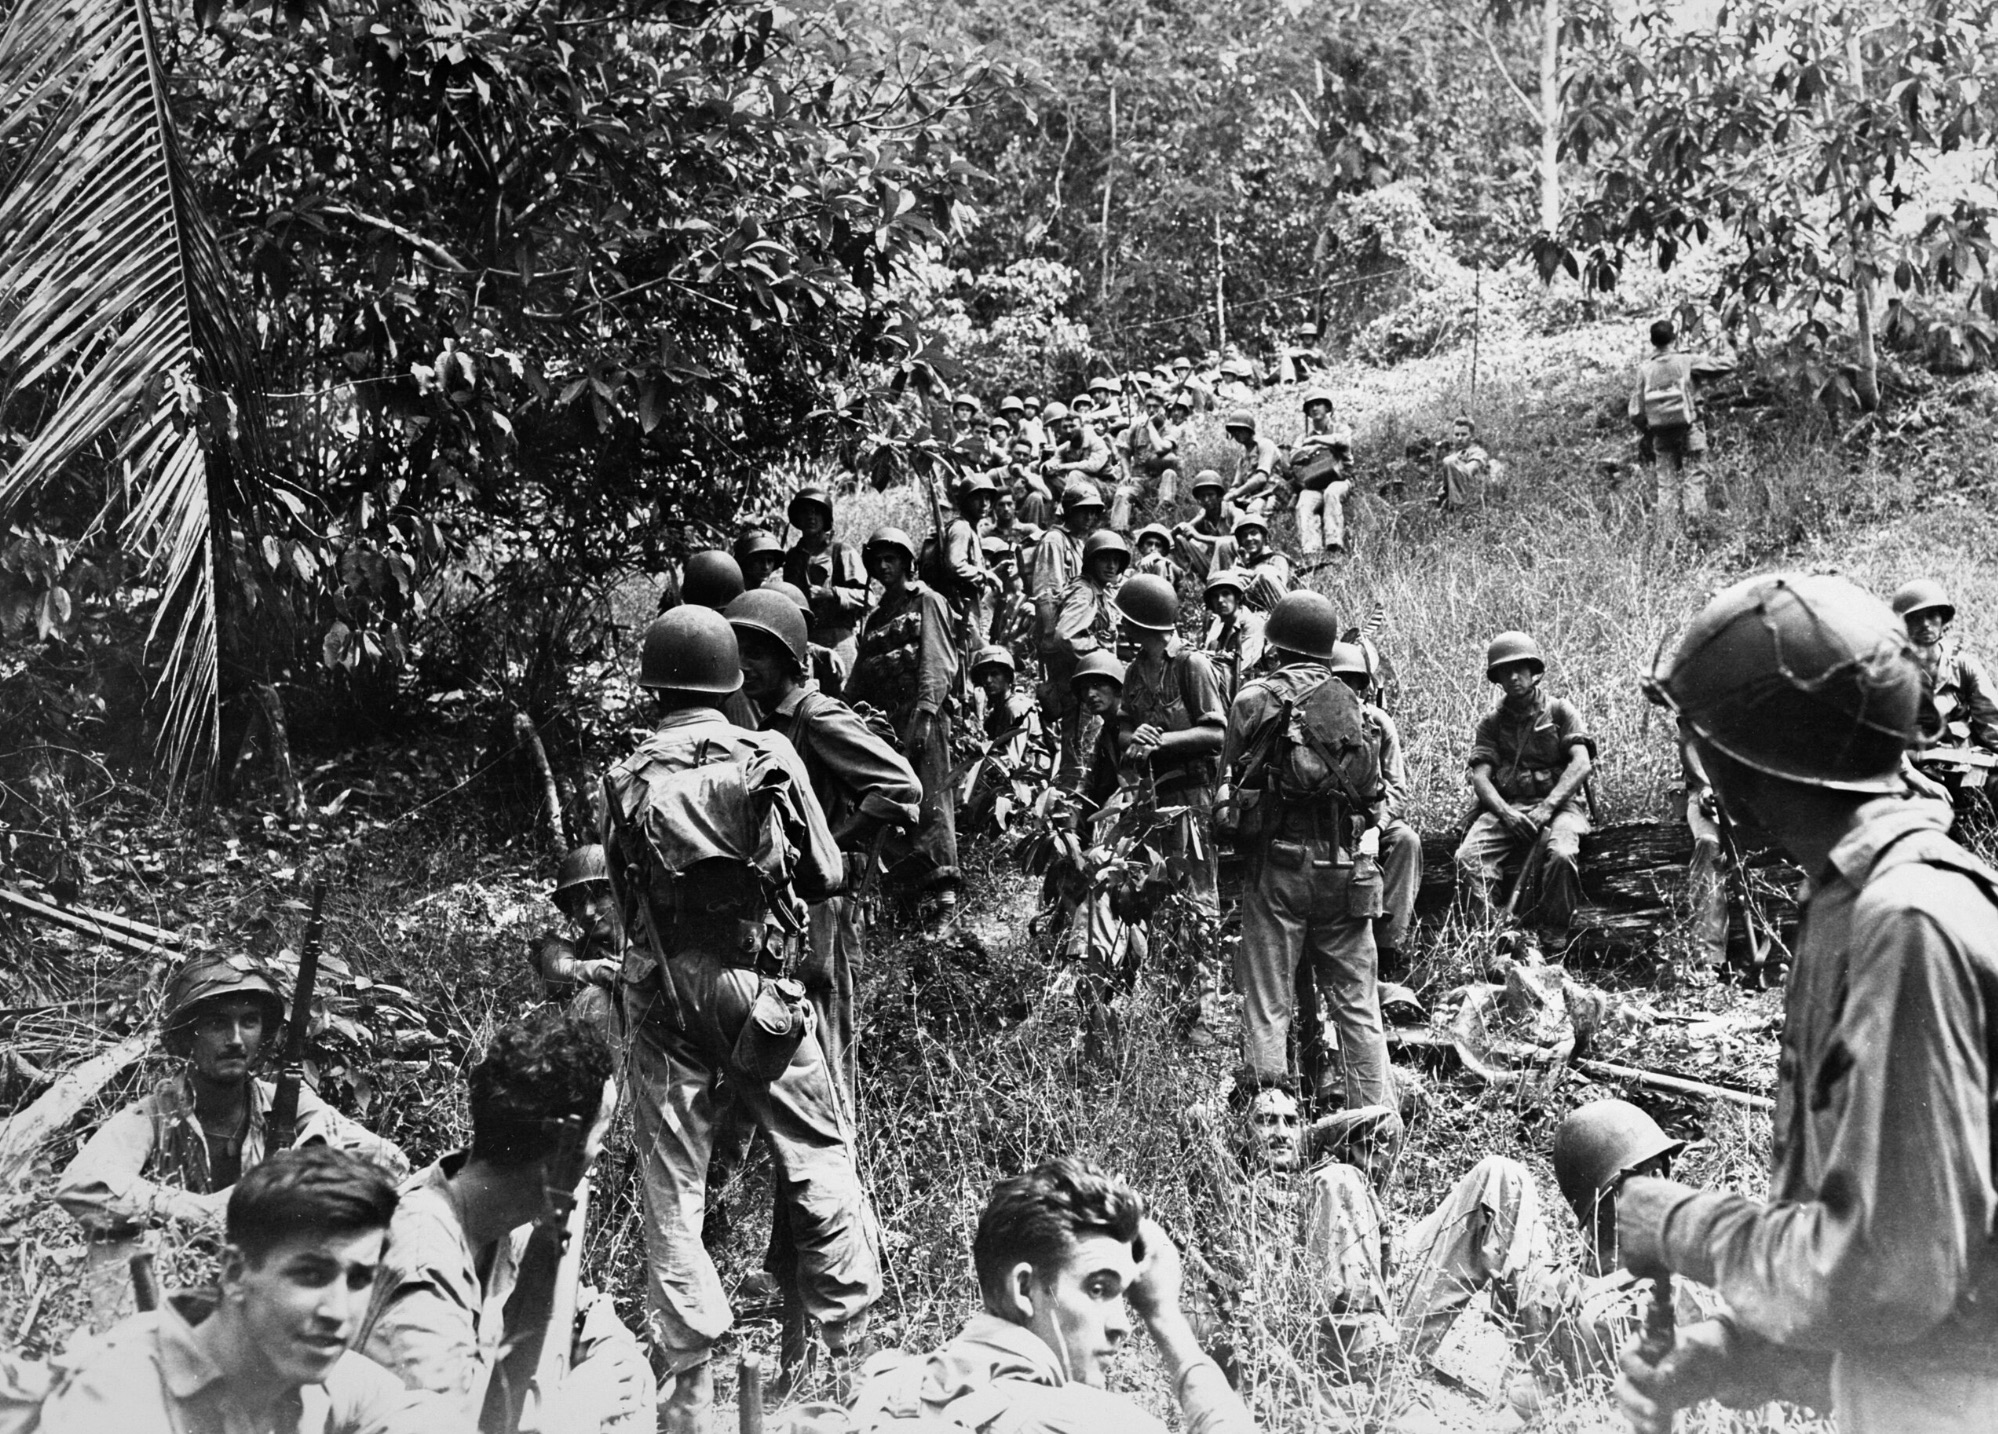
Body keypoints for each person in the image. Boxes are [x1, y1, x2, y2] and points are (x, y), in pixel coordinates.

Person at [1616, 570, 1998, 1434]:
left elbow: (1891, 1274)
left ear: (1742, 759)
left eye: (1698, 739)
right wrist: (1745, 1353)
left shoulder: (1908, 921)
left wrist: (1683, 1226)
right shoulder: (1853, 899)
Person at [602, 605, 879, 1431]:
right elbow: (826, 874)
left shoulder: (625, 774)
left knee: (671, 1181)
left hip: (664, 990)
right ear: (728, 679)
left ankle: (689, 1371)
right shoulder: (768, 753)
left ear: (655, 685)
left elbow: (622, 900)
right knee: (818, 1155)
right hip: (760, 986)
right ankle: (847, 1351)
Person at [58, 953, 410, 1328]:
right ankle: (134, 1354)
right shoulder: (155, 1114)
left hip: (272, 1288)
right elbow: (81, 1183)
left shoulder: (287, 1104)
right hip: (176, 1295)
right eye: (217, 1023)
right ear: (187, 1035)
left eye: (250, 1022)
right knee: (115, 1238)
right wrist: (200, 1211)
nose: (236, 1039)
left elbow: (387, 1161)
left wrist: (295, 1178)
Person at [361, 1010, 653, 1430]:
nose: (599, 1155)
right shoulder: (424, 1263)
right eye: (598, 1137)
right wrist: (575, 1409)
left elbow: (582, 1309)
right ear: (562, 1147)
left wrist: (614, 1355)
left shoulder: (497, 1216)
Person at [843, 1157, 1258, 1434]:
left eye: (1123, 1295)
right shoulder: (1094, 1423)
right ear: (1024, 1289)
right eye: (1098, 1289)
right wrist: (1165, 1316)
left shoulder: (881, 1387)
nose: (1122, 1326)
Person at [38, 1147, 433, 1434]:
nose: (338, 1311)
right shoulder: (116, 1403)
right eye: (311, 1275)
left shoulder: (307, 1361)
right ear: (235, 1272)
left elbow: (418, 1414)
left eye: (359, 1280)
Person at [727, 587, 921, 1110]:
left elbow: (902, 786)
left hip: (824, 903)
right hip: (789, 904)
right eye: (739, 653)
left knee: (828, 1035)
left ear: (791, 659)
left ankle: (842, 1140)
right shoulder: (768, 726)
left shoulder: (815, 716)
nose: (746, 666)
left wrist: (829, 843)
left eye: (758, 654)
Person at [1216, 591, 1392, 1109]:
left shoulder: (1254, 699)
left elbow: (1227, 788)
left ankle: (1269, 1118)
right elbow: (1376, 800)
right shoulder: (1355, 705)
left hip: (1280, 866)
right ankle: (1376, 1122)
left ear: (1275, 644)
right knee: (1359, 1007)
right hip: (1347, 868)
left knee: (1268, 998)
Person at [847, 525, 963, 925]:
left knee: (932, 802)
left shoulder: (927, 601)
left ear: (906, 562)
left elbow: (937, 661)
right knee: (896, 807)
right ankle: (911, 898)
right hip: (887, 724)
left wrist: (926, 714)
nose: (884, 566)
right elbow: (859, 679)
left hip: (923, 713)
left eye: (891, 559)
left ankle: (946, 899)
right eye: (877, 560)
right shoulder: (877, 618)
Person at [1453, 631, 1595, 938]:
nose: (1514, 677)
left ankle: (1553, 935)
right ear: (1498, 679)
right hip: (1510, 807)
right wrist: (1506, 814)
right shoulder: (1491, 723)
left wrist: (1547, 808)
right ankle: (1489, 935)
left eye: (1520, 669)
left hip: (1561, 806)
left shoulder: (1559, 711)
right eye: (1506, 672)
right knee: (1468, 858)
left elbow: (1581, 763)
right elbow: (1480, 777)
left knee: (1562, 855)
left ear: (1534, 671)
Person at [1328, 643, 1420, 972]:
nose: (1346, 690)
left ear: (1363, 686)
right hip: (1330, 821)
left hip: (1373, 818)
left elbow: (1397, 789)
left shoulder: (1379, 723)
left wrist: (1376, 829)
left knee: (1406, 841)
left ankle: (1388, 947)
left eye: (1352, 682)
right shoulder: (1315, 721)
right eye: (1338, 682)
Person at [1891, 578, 1998, 813]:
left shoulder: (1964, 667)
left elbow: (1992, 725)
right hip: (1912, 772)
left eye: (1932, 616)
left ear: (1943, 620)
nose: (1925, 624)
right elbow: (1881, 738)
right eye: (1915, 618)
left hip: (1962, 766)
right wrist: (1915, 778)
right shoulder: (1891, 674)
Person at [1627, 318, 1733, 523]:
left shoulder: (1645, 369)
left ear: (1653, 342)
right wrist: (1726, 343)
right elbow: (1727, 364)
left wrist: (1650, 430)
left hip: (1661, 434)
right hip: (1691, 429)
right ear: (1674, 338)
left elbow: (1635, 413)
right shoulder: (1687, 361)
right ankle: (1696, 528)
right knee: (1694, 479)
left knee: (1666, 485)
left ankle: (1668, 531)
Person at [1051, 530, 1131, 786]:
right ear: (1090, 561)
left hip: (1092, 688)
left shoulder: (1098, 592)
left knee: (1090, 759)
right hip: (1085, 690)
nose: (1111, 566)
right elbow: (1065, 636)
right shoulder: (1084, 593)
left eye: (1116, 560)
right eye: (1104, 559)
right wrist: (1100, 654)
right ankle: (1068, 809)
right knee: (1079, 762)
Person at [528, 843, 625, 1044]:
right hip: (602, 1058)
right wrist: (607, 973)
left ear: (620, 895)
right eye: (578, 902)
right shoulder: (569, 951)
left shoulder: (651, 947)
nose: (588, 911)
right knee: (596, 998)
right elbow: (559, 968)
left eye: (598, 896)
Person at [782, 486, 870, 665]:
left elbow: (868, 599)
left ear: (825, 518)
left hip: (839, 638)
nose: (811, 517)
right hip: (805, 639)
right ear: (797, 518)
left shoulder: (842, 552)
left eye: (816, 512)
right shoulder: (792, 557)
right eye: (805, 512)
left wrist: (831, 594)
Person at [1289, 389, 1354, 557]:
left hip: (1340, 479)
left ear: (1327, 408)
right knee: (1304, 503)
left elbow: (1343, 442)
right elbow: (1293, 456)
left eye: (1318, 404)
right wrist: (1312, 448)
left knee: (1331, 494)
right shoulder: (1302, 437)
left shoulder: (1340, 428)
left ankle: (1334, 544)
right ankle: (1311, 551)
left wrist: (1315, 441)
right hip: (1314, 483)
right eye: (1310, 406)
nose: (1314, 408)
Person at [942, 472, 1000, 653]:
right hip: (957, 605)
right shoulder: (961, 528)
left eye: (987, 498)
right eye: (977, 498)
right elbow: (955, 565)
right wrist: (986, 575)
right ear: (965, 501)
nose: (984, 504)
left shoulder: (972, 529)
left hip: (968, 604)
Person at [1113, 389, 1180, 528]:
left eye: (1155, 406)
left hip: (1159, 480)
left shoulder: (1171, 429)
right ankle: (1119, 532)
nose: (1151, 410)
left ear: (1162, 407)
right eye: (1148, 406)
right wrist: (1126, 474)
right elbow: (1125, 453)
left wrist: (1151, 426)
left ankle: (1162, 522)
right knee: (1122, 494)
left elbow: (1161, 448)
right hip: (1139, 479)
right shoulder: (1137, 427)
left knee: (1170, 474)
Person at [1201, 569, 1265, 701]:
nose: (1220, 600)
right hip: (1223, 687)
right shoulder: (1218, 625)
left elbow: (1240, 666)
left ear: (1238, 597)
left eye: (1226, 594)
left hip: (1249, 693)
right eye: (1215, 596)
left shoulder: (1252, 624)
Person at [1173, 471, 1241, 583]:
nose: (1206, 500)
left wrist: (1198, 536)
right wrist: (1181, 528)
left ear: (1219, 496)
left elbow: (1235, 540)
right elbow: (1183, 530)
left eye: (1210, 495)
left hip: (1235, 568)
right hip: (1213, 567)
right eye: (1202, 496)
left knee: (1223, 543)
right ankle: (1188, 582)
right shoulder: (1203, 516)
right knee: (1179, 539)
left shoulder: (1235, 512)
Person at [1216, 514, 1292, 611]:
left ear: (1264, 537)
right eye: (1244, 535)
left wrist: (1250, 575)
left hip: (1282, 610)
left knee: (1264, 573)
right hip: (1255, 614)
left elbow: (1279, 587)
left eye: (1253, 533)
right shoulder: (1244, 565)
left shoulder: (1276, 558)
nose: (1249, 538)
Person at [1039, 401, 1113, 492]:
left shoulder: (1095, 441)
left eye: (1072, 426)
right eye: (1065, 427)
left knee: (1075, 475)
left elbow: (1094, 466)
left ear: (1082, 425)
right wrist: (1048, 466)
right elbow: (1055, 461)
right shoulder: (1064, 448)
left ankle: (1068, 499)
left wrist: (1063, 466)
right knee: (1049, 474)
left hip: (1105, 485)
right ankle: (1056, 499)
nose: (1068, 431)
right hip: (1083, 485)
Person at [1220, 412, 1282, 518]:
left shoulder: (1265, 445)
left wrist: (1234, 494)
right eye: (1234, 430)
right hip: (1252, 497)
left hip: (1272, 493)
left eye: (1241, 429)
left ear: (1249, 430)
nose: (1237, 433)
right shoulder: (1242, 459)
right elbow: (1236, 484)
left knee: (1253, 511)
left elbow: (1261, 478)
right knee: (1226, 508)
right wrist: (1227, 498)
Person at [1437, 417, 1499, 512]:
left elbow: (1469, 471)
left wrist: (1453, 465)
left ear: (1472, 436)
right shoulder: (1454, 455)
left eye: (1464, 434)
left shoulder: (1478, 452)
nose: (1459, 438)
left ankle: (1457, 508)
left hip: (1473, 496)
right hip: (1456, 495)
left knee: (1449, 461)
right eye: (1456, 434)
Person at [1130, 523, 1184, 591]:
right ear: (1141, 547)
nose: (1153, 548)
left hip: (1163, 596)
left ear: (1163, 551)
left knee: (1161, 565)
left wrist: (1160, 558)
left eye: (1158, 545)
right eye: (1149, 544)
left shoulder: (1166, 565)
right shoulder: (1132, 570)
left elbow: (1180, 575)